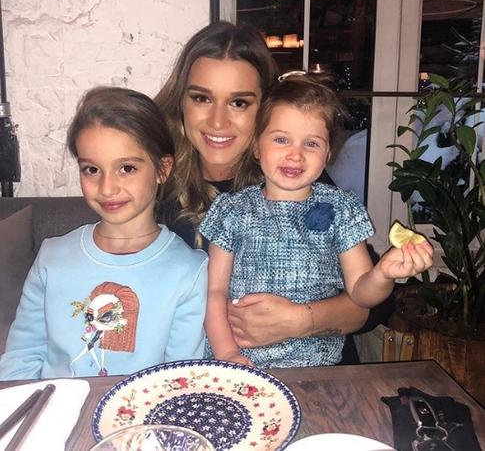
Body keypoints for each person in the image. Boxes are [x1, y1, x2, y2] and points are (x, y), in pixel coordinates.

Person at [155, 21, 375, 364]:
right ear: (181, 102)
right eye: (202, 98)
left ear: (266, 110)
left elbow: (370, 308)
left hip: (316, 373)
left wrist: (300, 321)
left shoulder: (295, 175)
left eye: (239, 102)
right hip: (214, 375)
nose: (217, 121)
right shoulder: (155, 185)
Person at [199, 74, 434, 368]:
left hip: (320, 369)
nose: (295, 154)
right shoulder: (232, 210)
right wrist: (227, 355)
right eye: (281, 139)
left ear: (327, 154)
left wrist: (384, 273)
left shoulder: (342, 208)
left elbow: (362, 294)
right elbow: (214, 292)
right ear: (257, 146)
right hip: (243, 365)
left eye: (311, 144)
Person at [0, 87, 208, 380]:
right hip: (55, 405)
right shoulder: (52, 257)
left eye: (127, 168)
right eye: (92, 170)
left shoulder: (188, 271)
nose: (107, 188)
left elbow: (181, 378)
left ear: (162, 170)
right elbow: (20, 358)